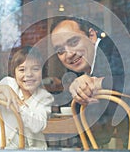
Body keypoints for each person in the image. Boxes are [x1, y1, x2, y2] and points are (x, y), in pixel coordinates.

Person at [50, 16, 125, 146]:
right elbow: (98, 136)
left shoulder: (117, 47)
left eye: (73, 42)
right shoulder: (78, 72)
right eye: (60, 51)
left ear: (91, 36)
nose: (68, 54)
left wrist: (98, 83)